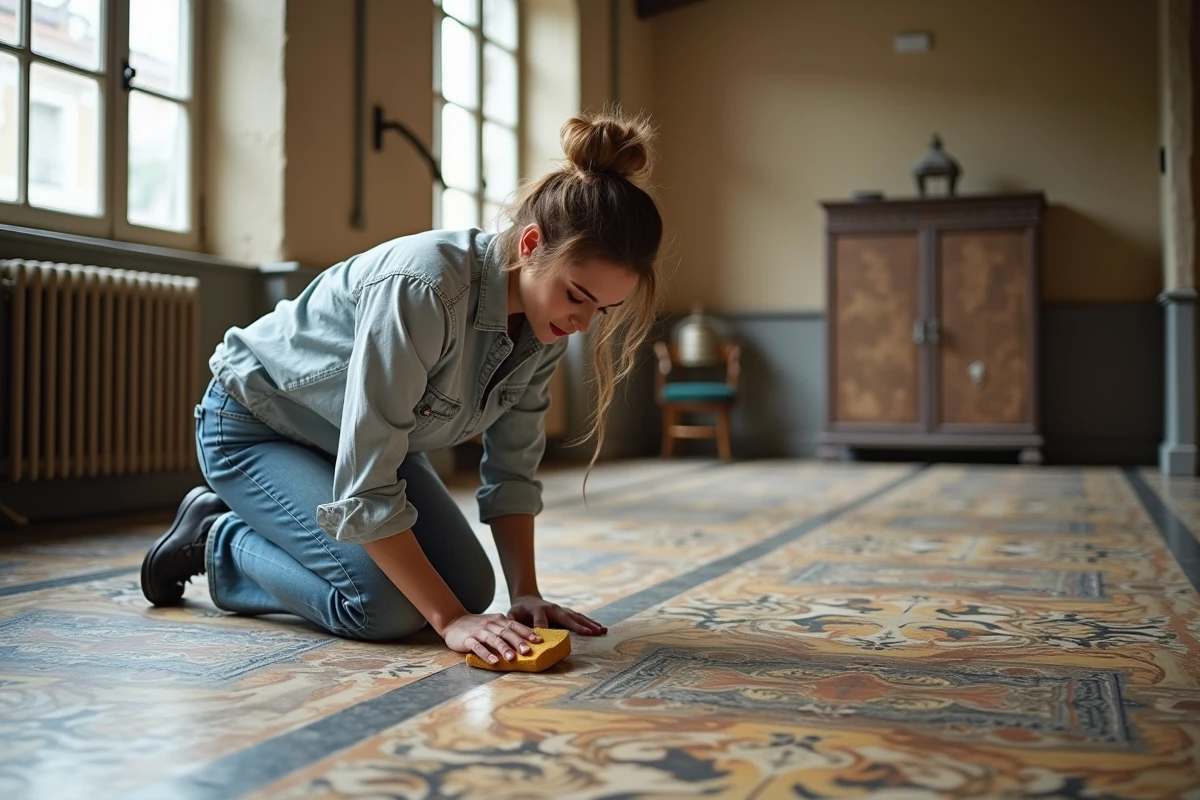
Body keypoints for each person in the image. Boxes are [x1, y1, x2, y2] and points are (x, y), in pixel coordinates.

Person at [139, 110, 664, 667]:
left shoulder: (546, 325)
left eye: (603, 309)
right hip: (256, 425)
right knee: (385, 608)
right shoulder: (425, 284)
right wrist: (449, 622)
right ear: (531, 244)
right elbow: (367, 483)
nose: (583, 322)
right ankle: (216, 539)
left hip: (349, 439)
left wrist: (524, 594)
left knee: (467, 587)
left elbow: (512, 469)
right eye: (577, 295)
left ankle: (275, 529)